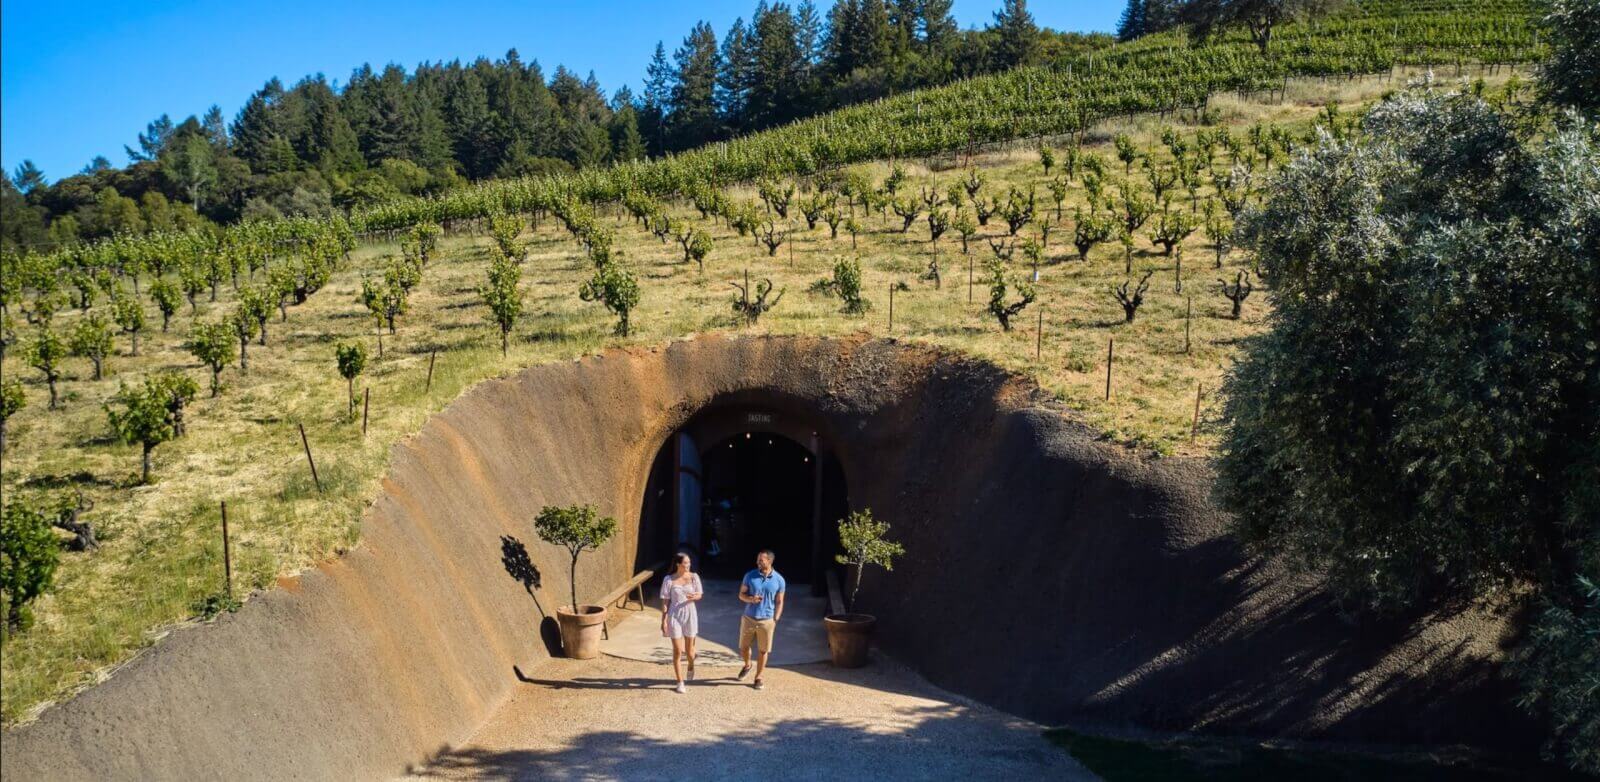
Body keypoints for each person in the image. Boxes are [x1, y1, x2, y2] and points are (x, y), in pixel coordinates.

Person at [736, 549, 785, 691]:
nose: (757, 562)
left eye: (761, 560)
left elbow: (780, 601)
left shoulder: (779, 580)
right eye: (758, 560)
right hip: (749, 617)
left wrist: (776, 619)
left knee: (763, 651)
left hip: (767, 620)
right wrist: (750, 599)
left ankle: (758, 677)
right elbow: (741, 594)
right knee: (743, 647)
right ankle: (747, 665)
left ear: (769, 561)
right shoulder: (750, 576)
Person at [660, 552, 703, 694]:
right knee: (678, 651)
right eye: (685, 563)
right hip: (674, 616)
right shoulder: (669, 579)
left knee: (690, 652)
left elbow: (699, 594)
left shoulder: (694, 577)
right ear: (678, 564)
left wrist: (694, 596)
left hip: (690, 614)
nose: (688, 565)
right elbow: (666, 601)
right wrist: (663, 619)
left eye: (689, 562)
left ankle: (691, 664)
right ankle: (680, 681)